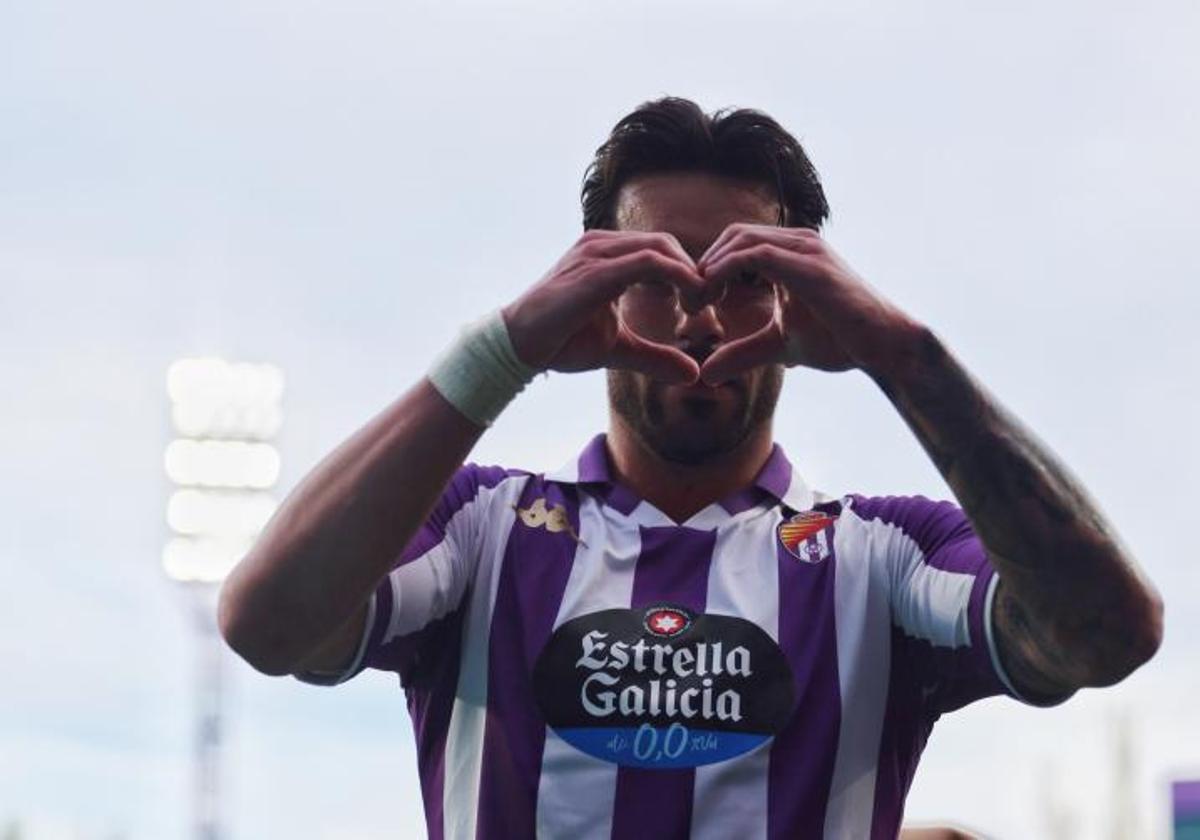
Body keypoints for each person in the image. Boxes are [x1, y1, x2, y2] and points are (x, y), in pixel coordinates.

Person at [217, 96, 1163, 839]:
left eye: (747, 277)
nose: (700, 313)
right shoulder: (478, 529)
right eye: (655, 270)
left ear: (803, 300)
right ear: (596, 288)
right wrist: (501, 352)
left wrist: (906, 357)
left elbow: (1105, 637)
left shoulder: (886, 555)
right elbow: (267, 626)